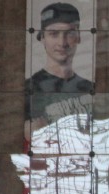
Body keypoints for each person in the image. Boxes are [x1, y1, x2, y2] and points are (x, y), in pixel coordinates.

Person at [25, 2, 94, 135]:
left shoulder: (92, 89)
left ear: (78, 37)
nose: (62, 43)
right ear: (42, 38)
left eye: (69, 33)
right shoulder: (26, 90)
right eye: (54, 34)